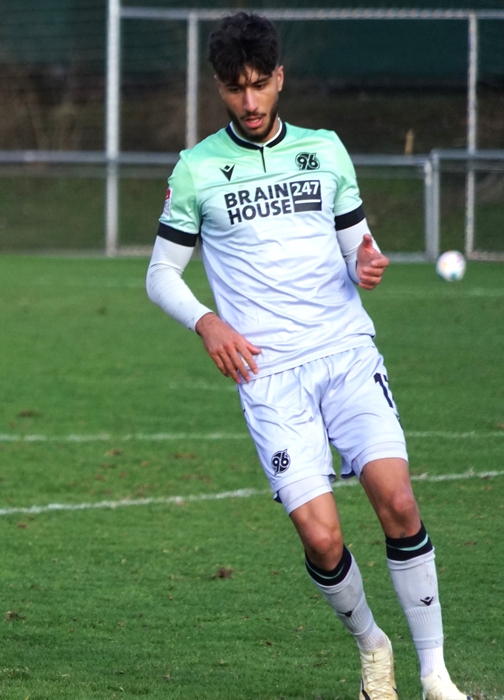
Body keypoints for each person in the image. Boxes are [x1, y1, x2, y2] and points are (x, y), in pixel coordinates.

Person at [145, 13, 471, 700]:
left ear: (280, 78)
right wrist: (208, 322)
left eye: (260, 84)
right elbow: (160, 274)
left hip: (345, 352)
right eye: (236, 89)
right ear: (219, 88)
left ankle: (435, 673)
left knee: (398, 502)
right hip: (268, 373)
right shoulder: (197, 169)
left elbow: (358, 246)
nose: (250, 101)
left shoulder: (325, 150)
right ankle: (373, 646)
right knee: (322, 541)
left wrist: (366, 263)